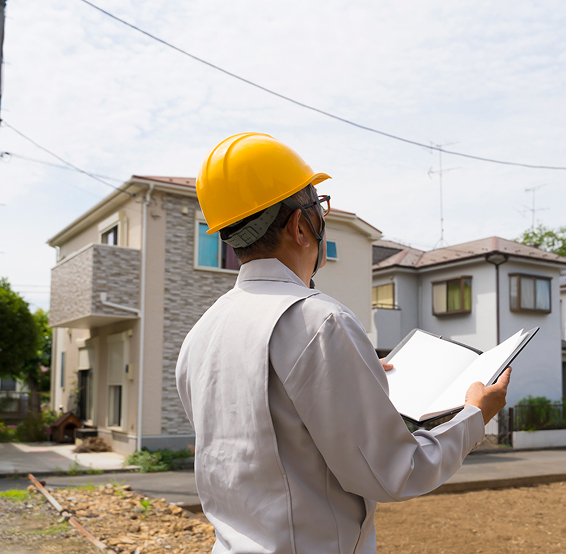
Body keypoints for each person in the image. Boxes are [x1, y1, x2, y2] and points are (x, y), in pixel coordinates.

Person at [176, 132, 512, 554]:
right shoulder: (320, 322)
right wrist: (475, 416)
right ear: (301, 225)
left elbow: (269, 435)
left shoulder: (202, 334)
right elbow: (396, 471)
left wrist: (352, 373)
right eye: (319, 207)